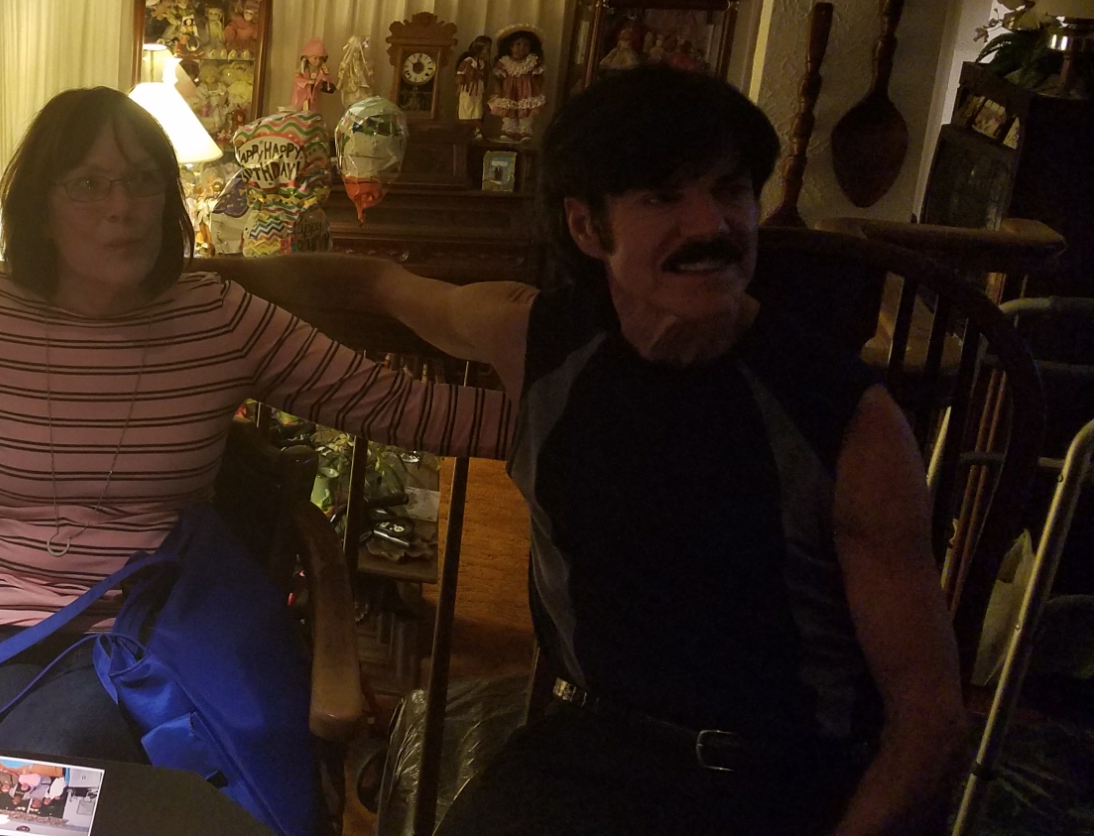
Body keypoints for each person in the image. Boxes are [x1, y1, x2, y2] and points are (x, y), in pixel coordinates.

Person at [216, 66, 965, 836]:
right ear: (586, 226)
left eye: (731, 189)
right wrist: (200, 275)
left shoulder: (849, 420)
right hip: (585, 753)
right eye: (662, 197)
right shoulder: (538, 340)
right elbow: (380, 285)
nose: (710, 223)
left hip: (773, 782)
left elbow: (929, 719)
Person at [0, 87, 494, 762]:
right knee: (24, 770)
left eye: (143, 179)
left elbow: (398, 405)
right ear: (41, 208)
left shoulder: (220, 319)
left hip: (152, 630)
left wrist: (545, 391)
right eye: (89, 183)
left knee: (63, 748)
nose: (122, 206)